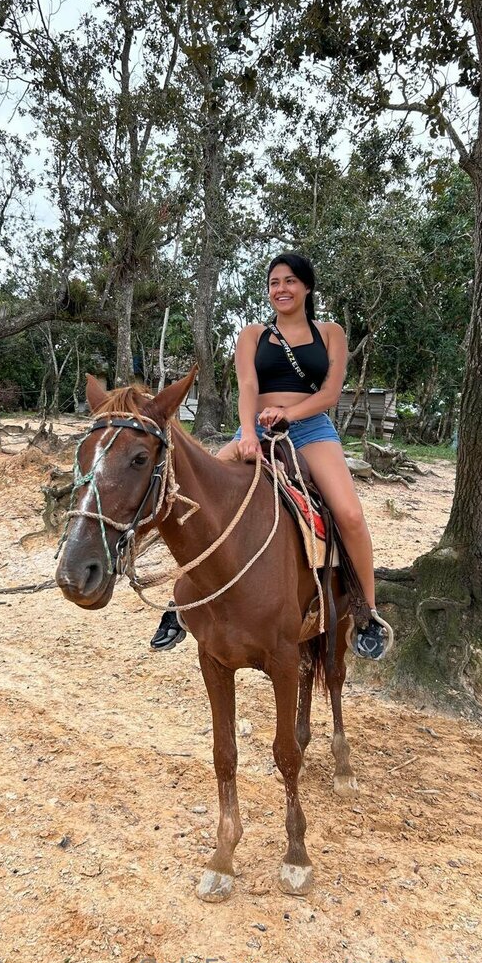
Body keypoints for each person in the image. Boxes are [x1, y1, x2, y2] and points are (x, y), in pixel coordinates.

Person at [151, 252, 391, 659]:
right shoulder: (252, 334)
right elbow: (247, 385)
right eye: (274, 282)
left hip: (311, 430)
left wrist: (288, 414)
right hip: (256, 429)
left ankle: (367, 613)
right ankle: (182, 600)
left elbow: (330, 393)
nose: (281, 289)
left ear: (307, 287)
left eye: (290, 281)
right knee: (193, 499)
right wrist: (247, 432)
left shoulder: (330, 332)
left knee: (350, 514)